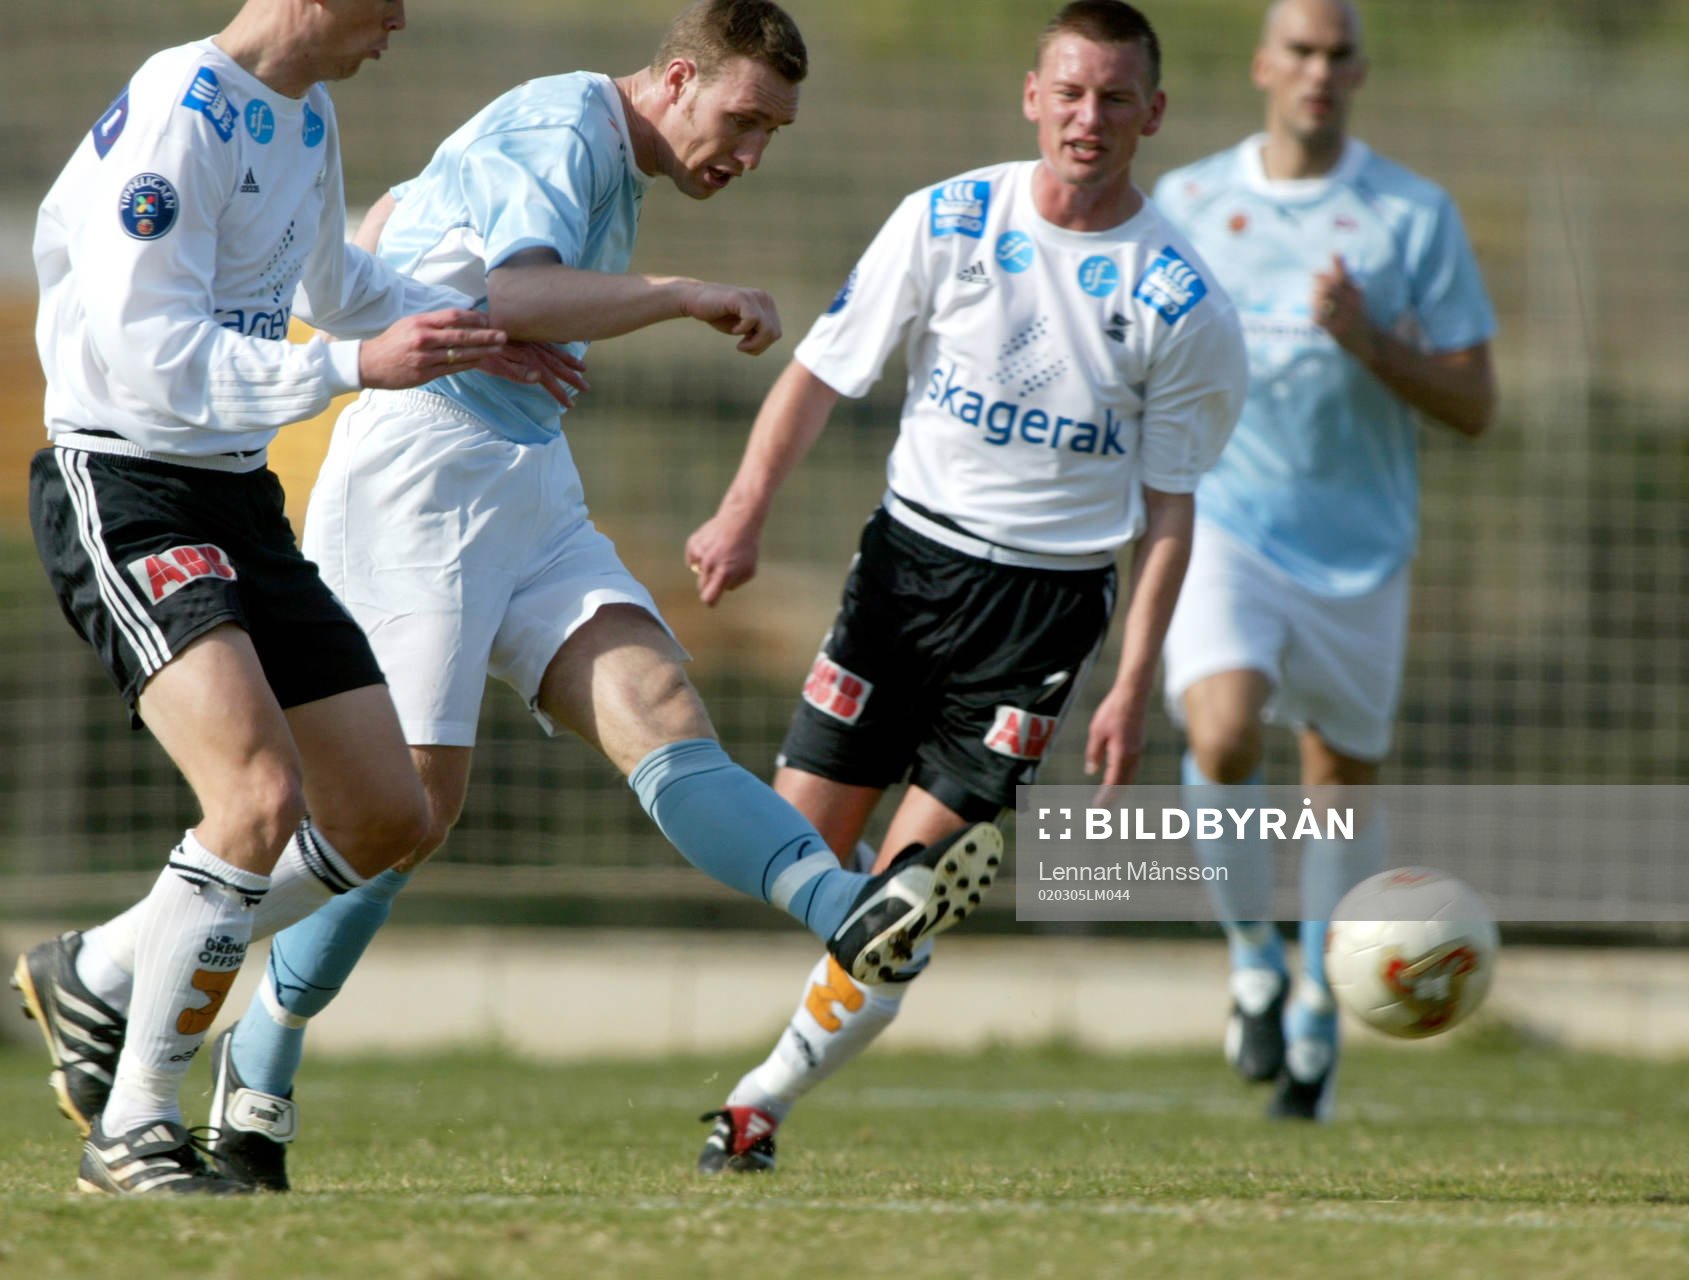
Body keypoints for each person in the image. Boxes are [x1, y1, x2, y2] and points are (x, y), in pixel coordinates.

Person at [15, 0, 1003, 1194]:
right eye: (744, 119)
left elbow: (365, 261)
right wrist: (671, 294)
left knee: (635, 712)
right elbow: (509, 289)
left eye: (772, 133)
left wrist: (466, 329)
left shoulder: (313, 115)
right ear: (676, 79)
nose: (750, 152)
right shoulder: (554, 124)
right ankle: (204, 1052)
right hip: (406, 472)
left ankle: (850, 909)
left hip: (513, 465)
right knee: (372, 804)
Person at [9, 0, 591, 1196]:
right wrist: (347, 367)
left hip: (236, 492)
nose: (401, 21)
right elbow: (150, 357)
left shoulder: (307, 112)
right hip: (127, 486)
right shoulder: (177, 115)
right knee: (257, 794)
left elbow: (338, 280)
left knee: (385, 812)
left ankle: (100, 970)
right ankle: (134, 1126)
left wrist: (470, 333)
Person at [683, 0, 1248, 1173]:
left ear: (1152, 113)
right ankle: (884, 932)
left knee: (911, 887)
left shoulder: (1181, 300)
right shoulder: (948, 218)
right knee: (794, 844)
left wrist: (1131, 680)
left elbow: (1170, 510)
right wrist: (741, 511)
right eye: (1069, 92)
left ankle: (757, 1103)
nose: (1088, 118)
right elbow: (817, 374)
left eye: (1113, 98)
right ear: (1032, 96)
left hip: (1038, 616)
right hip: (903, 573)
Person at [1152, 0, 1496, 1120]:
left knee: (1335, 791)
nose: (1316, 70)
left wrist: (1367, 340)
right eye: (1298, 50)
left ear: (1358, 72)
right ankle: (1252, 959)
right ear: (1264, 65)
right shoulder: (1187, 202)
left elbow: (1475, 403)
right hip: (1225, 524)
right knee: (1220, 730)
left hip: (1359, 548)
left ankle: (1315, 1003)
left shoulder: (1411, 214)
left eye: (1337, 54)